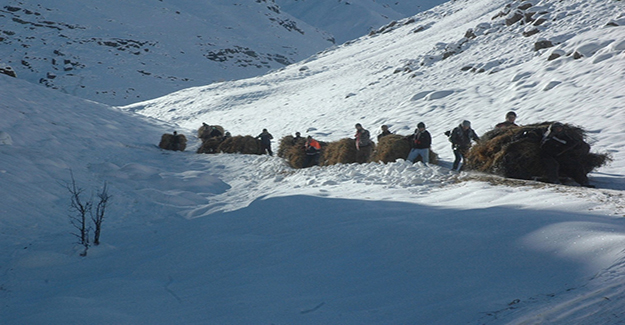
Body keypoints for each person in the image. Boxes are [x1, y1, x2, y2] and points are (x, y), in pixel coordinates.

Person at [540, 122, 593, 187]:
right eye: (557, 128)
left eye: (560, 128)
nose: (559, 130)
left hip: (561, 156)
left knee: (575, 164)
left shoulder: (564, 136)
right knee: (553, 165)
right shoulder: (549, 137)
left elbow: (569, 143)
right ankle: (554, 180)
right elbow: (545, 148)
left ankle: (583, 182)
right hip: (549, 156)